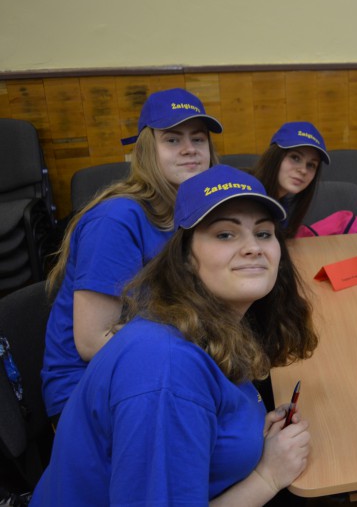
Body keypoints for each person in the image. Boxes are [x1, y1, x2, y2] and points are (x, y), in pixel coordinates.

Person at [31, 164, 318, 505]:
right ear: (185, 258)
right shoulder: (166, 371)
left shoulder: (209, 324)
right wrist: (267, 476)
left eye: (264, 233)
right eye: (225, 234)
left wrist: (249, 436)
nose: (253, 247)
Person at [41, 88, 222, 420]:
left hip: (152, 367)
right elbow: (92, 341)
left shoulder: (190, 214)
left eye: (198, 139)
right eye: (172, 139)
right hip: (86, 394)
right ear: (147, 150)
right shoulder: (116, 220)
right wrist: (198, 350)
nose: (189, 149)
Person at [252, 121, 330, 238]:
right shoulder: (248, 197)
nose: (303, 170)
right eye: (295, 158)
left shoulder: (283, 205)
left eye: (311, 165)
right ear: (274, 156)